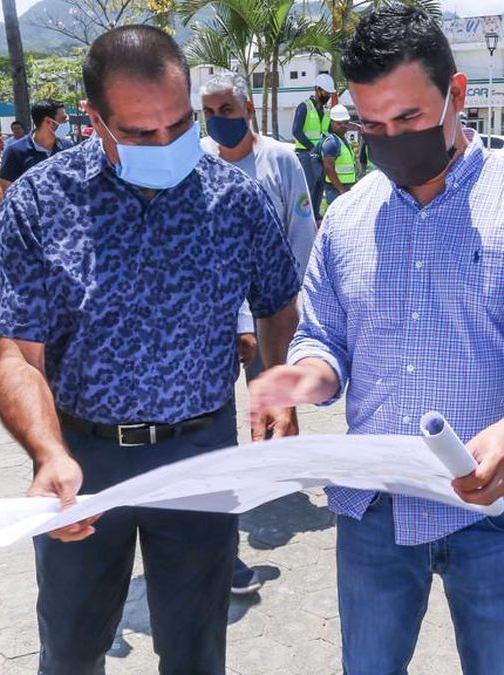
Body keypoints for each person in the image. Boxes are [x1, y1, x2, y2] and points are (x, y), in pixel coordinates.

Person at [249, 6, 504, 673]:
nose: (390, 140)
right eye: (371, 125)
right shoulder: (348, 218)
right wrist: (302, 377)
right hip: (373, 510)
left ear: (455, 95)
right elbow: (324, 339)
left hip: (492, 509)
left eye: (408, 119)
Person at [0, 25, 301, 674]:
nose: (167, 144)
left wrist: (276, 385)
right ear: (94, 120)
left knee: (196, 651)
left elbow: (276, 303)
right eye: (142, 132)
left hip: (200, 454)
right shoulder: (42, 202)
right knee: (71, 649)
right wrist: (47, 454)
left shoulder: (234, 199)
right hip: (83, 461)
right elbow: (18, 355)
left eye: (180, 124)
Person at [199, 70, 317, 595]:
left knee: (274, 385)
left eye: (227, 110)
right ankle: (252, 466)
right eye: (209, 112)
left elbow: (301, 230)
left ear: (248, 109)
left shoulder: (280, 160)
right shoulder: (200, 161)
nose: (218, 121)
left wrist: (293, 298)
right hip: (222, 309)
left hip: (276, 304)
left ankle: (279, 463)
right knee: (233, 396)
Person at [0, 100, 74, 207]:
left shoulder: (68, 147)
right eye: (63, 119)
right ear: (48, 122)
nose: (67, 123)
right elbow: (5, 190)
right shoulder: (15, 151)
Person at [291, 73, 335, 222]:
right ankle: (302, 218)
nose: (328, 96)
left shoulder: (326, 111)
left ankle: (315, 216)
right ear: (317, 90)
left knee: (319, 187)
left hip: (320, 155)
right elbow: (296, 131)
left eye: (329, 94)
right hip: (306, 154)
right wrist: (312, 148)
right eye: (326, 93)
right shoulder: (304, 107)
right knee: (307, 188)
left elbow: (328, 132)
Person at [320, 104, 358, 205]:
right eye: (339, 123)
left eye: (345, 123)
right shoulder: (332, 142)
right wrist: (341, 189)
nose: (343, 126)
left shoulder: (342, 140)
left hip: (345, 187)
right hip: (336, 190)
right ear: (332, 122)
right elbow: (328, 168)